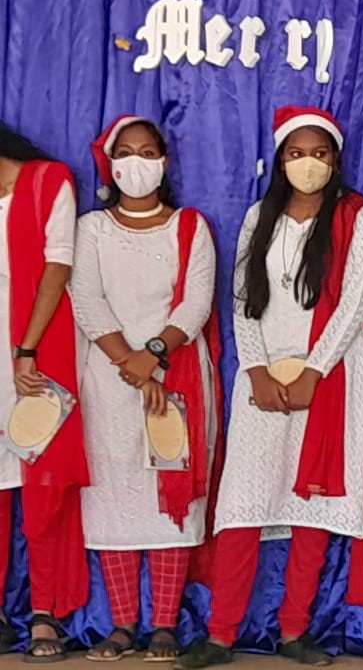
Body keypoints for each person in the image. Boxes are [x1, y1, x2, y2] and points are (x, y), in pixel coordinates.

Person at [177, 107, 363, 670]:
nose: (308, 163)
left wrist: (314, 370)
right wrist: (257, 370)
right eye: (296, 153)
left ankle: (295, 630)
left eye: (319, 154)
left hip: (333, 375)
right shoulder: (258, 217)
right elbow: (244, 299)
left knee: (311, 506)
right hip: (262, 376)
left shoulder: (355, 217)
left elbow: (354, 303)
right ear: (280, 160)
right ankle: (220, 635)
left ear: (335, 160)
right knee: (241, 506)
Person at [70, 116, 221, 662]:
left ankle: (164, 625)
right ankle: (121, 624)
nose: (137, 162)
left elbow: (197, 302)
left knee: (168, 500)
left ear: (165, 161)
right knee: (112, 497)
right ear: (110, 165)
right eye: (126, 152)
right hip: (108, 381)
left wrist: (153, 357)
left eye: (148, 152)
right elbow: (86, 299)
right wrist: (129, 363)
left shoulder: (190, 227)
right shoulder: (92, 228)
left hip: (176, 374)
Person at [0, 124, 90, 663]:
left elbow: (59, 266)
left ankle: (45, 612)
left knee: (44, 485)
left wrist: (26, 348)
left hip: (32, 353)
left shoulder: (47, 182)